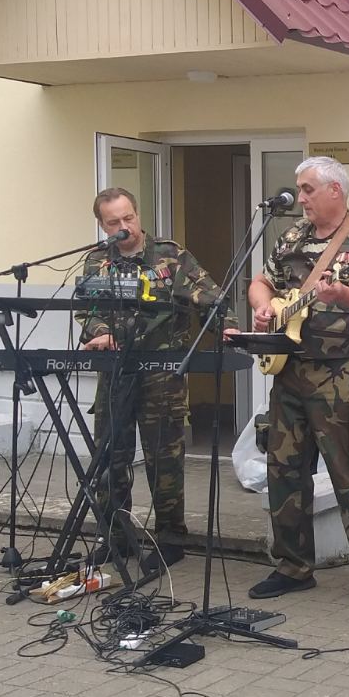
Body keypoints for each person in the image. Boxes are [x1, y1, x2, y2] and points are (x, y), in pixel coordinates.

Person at [245, 157, 349, 609]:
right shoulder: (292, 235)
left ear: (335, 190)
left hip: (342, 376)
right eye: (299, 189)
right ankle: (292, 567)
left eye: (308, 189)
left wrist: (342, 293)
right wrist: (265, 307)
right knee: (284, 472)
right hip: (290, 373)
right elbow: (261, 282)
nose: (301, 198)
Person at [76, 187, 237, 571]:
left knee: (164, 461)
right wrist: (100, 331)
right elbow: (86, 310)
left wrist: (227, 330)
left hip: (162, 376)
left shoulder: (171, 256)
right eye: (114, 222)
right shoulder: (97, 261)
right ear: (102, 225)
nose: (124, 226)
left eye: (128, 218)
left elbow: (212, 298)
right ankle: (116, 538)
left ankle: (170, 539)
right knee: (109, 458)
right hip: (115, 374)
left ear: (138, 215)